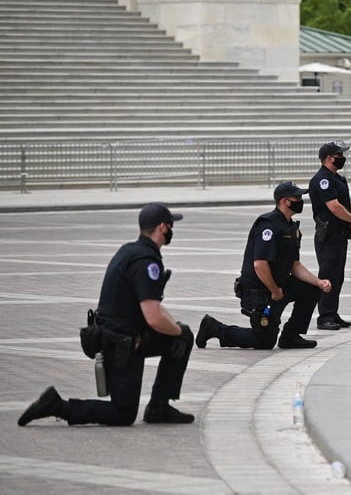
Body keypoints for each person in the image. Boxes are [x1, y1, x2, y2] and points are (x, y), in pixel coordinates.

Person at [19, 203, 195, 427]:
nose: (171, 230)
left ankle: (159, 408)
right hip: (122, 345)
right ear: (162, 227)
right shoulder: (146, 262)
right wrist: (177, 331)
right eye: (171, 226)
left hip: (125, 337)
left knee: (182, 336)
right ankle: (58, 406)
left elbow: (155, 306)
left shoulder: (130, 251)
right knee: (123, 414)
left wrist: (179, 332)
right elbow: (153, 318)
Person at [196, 182, 332, 350]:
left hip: (277, 287)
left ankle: (291, 336)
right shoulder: (268, 225)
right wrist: (274, 290)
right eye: (296, 197)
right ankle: (215, 328)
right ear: (284, 201)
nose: (300, 200)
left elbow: (294, 265)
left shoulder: (291, 227)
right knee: (264, 341)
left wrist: (318, 281)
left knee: (310, 289)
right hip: (260, 291)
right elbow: (260, 264)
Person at [309, 142, 351, 330]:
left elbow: (346, 203)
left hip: (340, 235)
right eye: (340, 154)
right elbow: (334, 207)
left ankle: (332, 312)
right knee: (329, 275)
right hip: (328, 236)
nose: (343, 157)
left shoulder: (337, 178)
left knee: (338, 275)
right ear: (330, 158)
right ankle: (324, 317)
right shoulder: (322, 179)